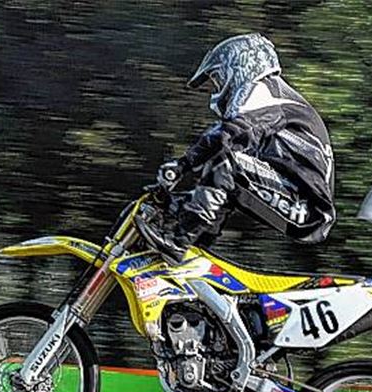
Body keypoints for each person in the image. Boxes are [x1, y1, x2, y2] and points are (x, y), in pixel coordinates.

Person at [138, 33, 335, 263]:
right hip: (299, 201)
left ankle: (178, 242)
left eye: (220, 78)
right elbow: (224, 140)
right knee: (217, 185)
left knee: (226, 163)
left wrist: (183, 165)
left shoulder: (265, 91)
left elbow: (228, 135)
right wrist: (178, 182)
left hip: (307, 209)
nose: (220, 87)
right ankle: (197, 250)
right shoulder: (273, 96)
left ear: (242, 64)